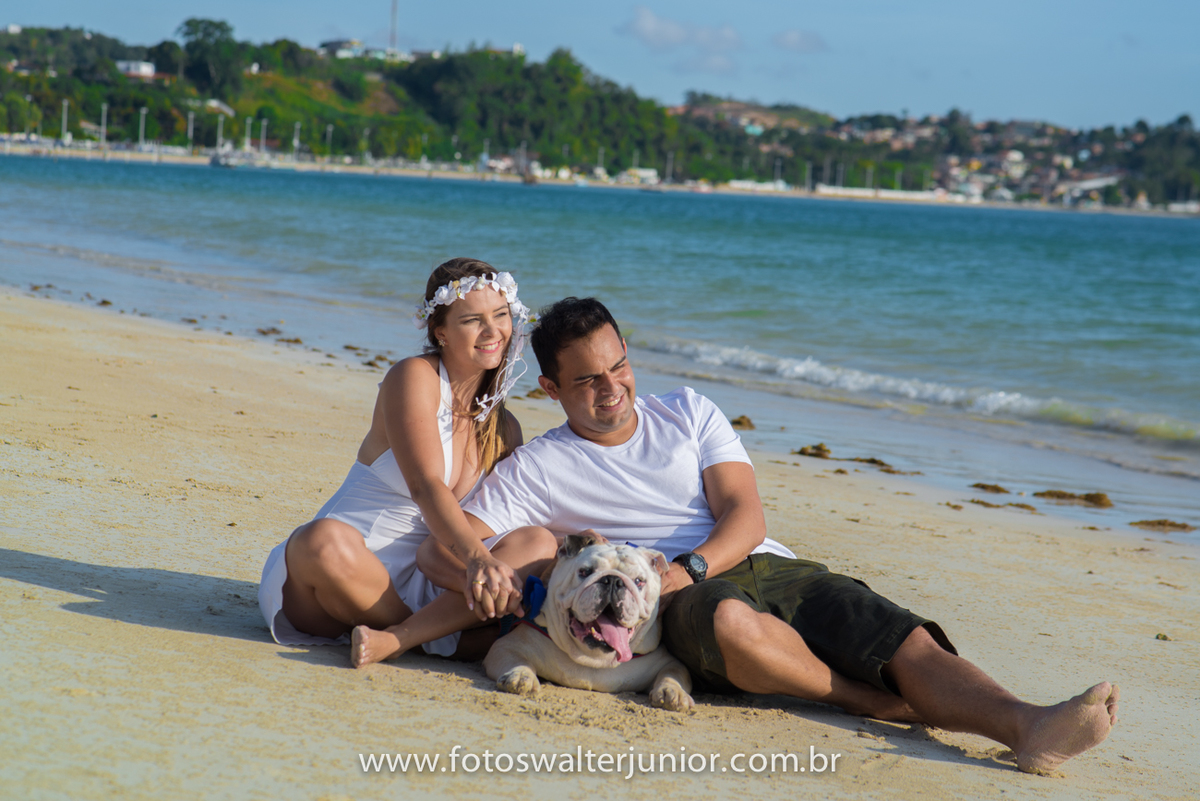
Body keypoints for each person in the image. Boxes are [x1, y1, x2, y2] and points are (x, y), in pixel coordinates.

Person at [434, 296, 1119, 776]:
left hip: (751, 564)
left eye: (619, 366)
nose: (612, 388)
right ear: (551, 388)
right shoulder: (541, 465)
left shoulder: (688, 410)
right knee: (731, 620)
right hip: (681, 606)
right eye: (587, 380)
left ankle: (1030, 724)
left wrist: (692, 565)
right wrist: (513, 583)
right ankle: (867, 701)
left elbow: (746, 515)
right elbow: (449, 543)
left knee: (882, 627)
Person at [258, 258, 557, 667]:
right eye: (472, 320)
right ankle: (434, 641)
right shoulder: (413, 377)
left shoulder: (506, 428)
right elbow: (425, 484)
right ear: (441, 333)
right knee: (320, 540)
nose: (493, 332)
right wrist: (478, 561)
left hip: (428, 582)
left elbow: (491, 520)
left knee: (537, 540)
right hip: (345, 569)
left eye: (501, 315)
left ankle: (406, 636)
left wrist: (488, 569)